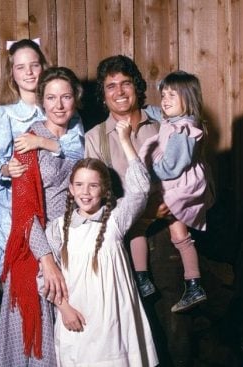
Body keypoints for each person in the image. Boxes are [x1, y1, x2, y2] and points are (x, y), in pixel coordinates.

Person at [0, 39, 84, 278]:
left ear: (43, 67)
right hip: (14, 201)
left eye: (34, 65)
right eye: (20, 67)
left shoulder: (63, 108)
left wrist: (43, 142)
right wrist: (6, 169)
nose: (29, 72)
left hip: (54, 199)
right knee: (23, 269)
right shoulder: (6, 114)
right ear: (11, 74)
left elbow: (78, 150)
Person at [0, 66, 84, 366]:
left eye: (66, 97)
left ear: (75, 100)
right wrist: (46, 260)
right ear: (41, 102)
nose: (59, 105)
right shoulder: (27, 142)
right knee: (34, 339)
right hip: (36, 247)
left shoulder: (79, 136)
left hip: (73, 244)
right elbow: (24, 213)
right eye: (51, 98)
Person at [48, 125, 158, 366]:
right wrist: (64, 308)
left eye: (93, 186)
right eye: (79, 185)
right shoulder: (57, 228)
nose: (85, 193)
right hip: (75, 317)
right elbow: (45, 277)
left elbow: (140, 189)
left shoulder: (116, 219)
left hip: (112, 320)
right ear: (70, 189)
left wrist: (125, 140)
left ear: (105, 190)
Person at [84, 55, 166, 298]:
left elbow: (193, 179)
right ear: (103, 93)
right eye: (111, 86)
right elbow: (92, 201)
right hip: (119, 238)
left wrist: (175, 205)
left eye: (125, 83)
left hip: (167, 232)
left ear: (136, 87)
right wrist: (145, 213)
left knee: (173, 322)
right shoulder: (94, 138)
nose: (119, 91)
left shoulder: (163, 127)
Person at [138, 70, 214, 313]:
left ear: (188, 98)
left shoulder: (183, 131)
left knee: (140, 225)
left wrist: (149, 171)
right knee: (179, 236)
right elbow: (157, 114)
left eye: (172, 95)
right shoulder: (176, 121)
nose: (165, 100)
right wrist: (144, 108)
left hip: (177, 187)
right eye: (163, 95)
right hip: (177, 185)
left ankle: (142, 280)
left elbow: (170, 168)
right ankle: (193, 284)